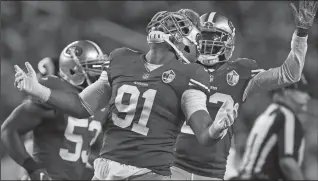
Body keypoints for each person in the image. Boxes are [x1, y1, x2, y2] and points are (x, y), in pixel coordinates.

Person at [13, 10, 236, 180]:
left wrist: (217, 128)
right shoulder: (121, 59)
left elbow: (205, 135)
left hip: (148, 173)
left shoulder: (191, 73)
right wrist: (39, 91)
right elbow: (82, 106)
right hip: (106, 169)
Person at [172, 1, 317, 180]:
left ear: (228, 42)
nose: (208, 43)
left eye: (215, 38)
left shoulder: (240, 72)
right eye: (204, 37)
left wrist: (301, 34)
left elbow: (289, 75)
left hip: (212, 171)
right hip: (173, 165)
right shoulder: (181, 67)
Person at [1, 40, 107, 180]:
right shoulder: (55, 93)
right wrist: (32, 169)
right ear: (74, 72)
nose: (100, 74)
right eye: (93, 69)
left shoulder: (99, 103)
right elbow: (9, 130)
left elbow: (83, 149)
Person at [236, 74, 310, 180]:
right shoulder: (287, 116)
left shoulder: (268, 114)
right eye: (302, 91)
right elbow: (288, 162)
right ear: (286, 91)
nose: (307, 97)